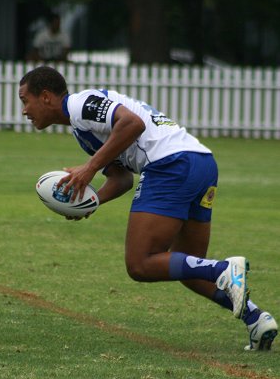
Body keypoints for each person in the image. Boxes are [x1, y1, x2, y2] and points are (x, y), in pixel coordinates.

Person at [19, 66, 278, 351]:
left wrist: (89, 168)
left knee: (140, 264)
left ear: (45, 97)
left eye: (25, 100)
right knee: (189, 267)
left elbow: (132, 124)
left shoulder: (80, 104)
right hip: (201, 163)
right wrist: (89, 203)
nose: (23, 110)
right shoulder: (82, 133)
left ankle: (224, 268)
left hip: (171, 164)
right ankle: (256, 318)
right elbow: (121, 178)